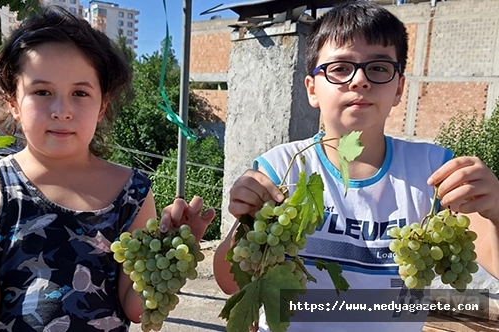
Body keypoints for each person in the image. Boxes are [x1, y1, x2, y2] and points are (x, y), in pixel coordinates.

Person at [0, 5, 215, 332]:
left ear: (102, 104)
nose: (61, 110)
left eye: (80, 93)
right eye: (42, 91)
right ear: (12, 102)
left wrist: (171, 254)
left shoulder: (133, 190)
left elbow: (135, 307)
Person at [213, 1, 499, 331]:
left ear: (399, 89)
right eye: (339, 68)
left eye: (378, 68)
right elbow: (229, 281)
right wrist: (245, 224)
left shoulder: (433, 171)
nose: (359, 81)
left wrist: (496, 209)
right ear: (312, 89)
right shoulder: (282, 169)